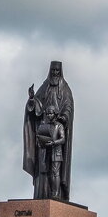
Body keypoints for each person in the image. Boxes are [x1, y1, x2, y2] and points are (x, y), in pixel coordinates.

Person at [22, 60, 74, 200]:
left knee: (55, 171)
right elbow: (36, 106)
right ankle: (41, 195)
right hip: (44, 134)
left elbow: (68, 107)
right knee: (42, 168)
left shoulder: (65, 90)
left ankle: (55, 195)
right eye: (53, 71)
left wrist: (63, 117)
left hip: (56, 137)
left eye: (57, 71)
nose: (55, 74)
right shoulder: (44, 87)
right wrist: (32, 99)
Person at [34, 104, 66, 199]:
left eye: (51, 113)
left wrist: (53, 143)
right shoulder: (45, 125)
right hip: (47, 151)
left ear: (55, 114)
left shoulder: (59, 126)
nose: (49, 115)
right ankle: (48, 192)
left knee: (55, 173)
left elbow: (63, 139)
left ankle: (55, 194)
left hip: (56, 152)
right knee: (47, 173)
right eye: (47, 114)